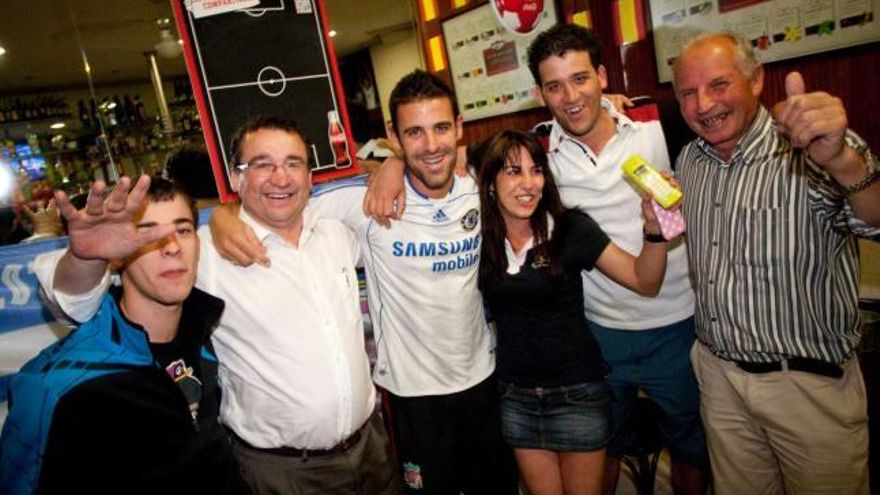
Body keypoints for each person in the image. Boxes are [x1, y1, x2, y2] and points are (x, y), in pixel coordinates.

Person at [30, 117, 399, 495]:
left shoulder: (336, 233)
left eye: (293, 163)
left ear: (309, 175)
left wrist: (394, 162)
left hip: (373, 448)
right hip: (284, 473)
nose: (281, 177)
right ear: (236, 179)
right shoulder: (201, 250)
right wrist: (88, 259)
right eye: (262, 164)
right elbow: (71, 304)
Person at [210, 71, 518, 494]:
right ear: (394, 135)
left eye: (441, 128)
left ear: (460, 128)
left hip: (482, 380)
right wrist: (222, 217)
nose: (431, 145)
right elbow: (276, 203)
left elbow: (536, 159)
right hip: (411, 395)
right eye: (414, 132)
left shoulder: (482, 183)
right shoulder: (362, 202)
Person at [672, 31, 879, 494]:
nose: (704, 104)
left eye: (718, 85)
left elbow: (877, 218)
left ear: (756, 79)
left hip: (807, 387)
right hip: (720, 379)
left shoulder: (813, 146)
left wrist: (843, 160)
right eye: (688, 92)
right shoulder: (689, 161)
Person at [529, 24, 708, 494]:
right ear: (540, 93)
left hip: (680, 327)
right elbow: (461, 161)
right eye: (555, 85)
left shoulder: (659, 122)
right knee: (601, 450)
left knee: (692, 446)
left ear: (603, 76)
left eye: (581, 78)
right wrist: (394, 166)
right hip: (599, 336)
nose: (571, 96)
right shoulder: (538, 153)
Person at [0, 176, 246, 494]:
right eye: (147, 234)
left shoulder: (203, 332)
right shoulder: (62, 385)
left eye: (183, 230)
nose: (171, 247)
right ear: (115, 253)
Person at [476, 130, 678, 495]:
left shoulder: (570, 228)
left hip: (577, 395)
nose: (528, 183)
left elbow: (644, 279)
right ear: (489, 182)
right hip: (516, 398)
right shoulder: (479, 240)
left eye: (536, 170)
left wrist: (654, 231)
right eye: (513, 172)